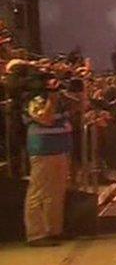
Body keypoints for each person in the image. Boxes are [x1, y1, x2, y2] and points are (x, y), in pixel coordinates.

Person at [23, 88, 73, 246]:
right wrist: (52, 98)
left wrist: (75, 95)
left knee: (56, 191)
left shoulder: (61, 100)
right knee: (38, 192)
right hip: (42, 149)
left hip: (60, 148)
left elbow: (77, 109)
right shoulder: (35, 99)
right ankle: (36, 234)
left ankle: (54, 230)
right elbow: (45, 118)